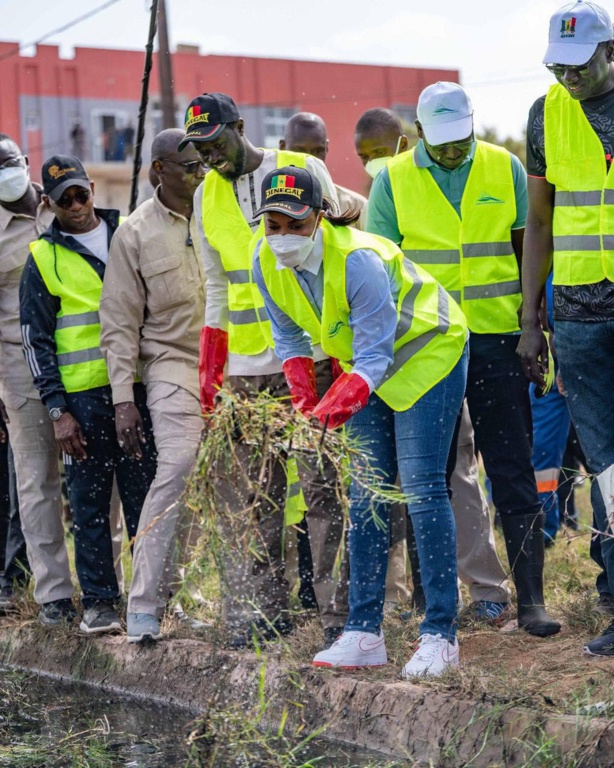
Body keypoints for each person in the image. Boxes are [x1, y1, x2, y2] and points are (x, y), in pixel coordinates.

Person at [252, 165, 469, 677]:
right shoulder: (264, 261)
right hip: (366, 368)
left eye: (295, 225)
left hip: (426, 356)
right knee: (366, 490)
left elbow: (374, 356)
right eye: (273, 226)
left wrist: (334, 405)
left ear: (320, 219)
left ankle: (441, 633)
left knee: (420, 488)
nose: (283, 238)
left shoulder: (358, 261)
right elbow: (289, 338)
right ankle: (364, 632)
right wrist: (305, 396)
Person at [368, 82, 560, 637]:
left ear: (472, 124)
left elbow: (530, 247)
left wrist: (532, 326)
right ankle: (434, 600)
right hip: (426, 345)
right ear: (419, 133)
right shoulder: (392, 182)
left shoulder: (505, 168)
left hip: (498, 340)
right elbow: (379, 268)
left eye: (461, 140)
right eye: (441, 143)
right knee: (427, 473)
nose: (453, 152)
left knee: (512, 467)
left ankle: (531, 601)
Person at [182, 92, 348, 650]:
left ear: (240, 127)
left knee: (323, 490)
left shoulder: (301, 169)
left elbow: (348, 226)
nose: (210, 158)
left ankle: (337, 616)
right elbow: (215, 289)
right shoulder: (205, 196)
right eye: (200, 151)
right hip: (246, 374)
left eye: (216, 143)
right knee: (253, 500)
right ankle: (259, 613)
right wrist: (212, 381)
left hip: (309, 362)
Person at [355, 107, 511, 622]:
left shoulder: (481, 169)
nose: (375, 163)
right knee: (389, 483)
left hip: (444, 346)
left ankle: (484, 590)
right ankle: (400, 598)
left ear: (405, 142)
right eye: (365, 157)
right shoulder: (373, 195)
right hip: (393, 355)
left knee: (451, 472)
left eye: (381, 152)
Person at [20, 155, 157, 633]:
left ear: (92, 189)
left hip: (135, 390)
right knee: (90, 505)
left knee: (145, 498)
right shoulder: (43, 257)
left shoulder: (128, 233)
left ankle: (152, 599)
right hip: (82, 403)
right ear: (49, 203)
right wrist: (58, 410)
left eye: (81, 195)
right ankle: (100, 602)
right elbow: (34, 341)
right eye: (64, 200)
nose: (76, 206)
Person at [518, 0, 614, 655]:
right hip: (578, 313)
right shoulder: (544, 115)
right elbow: (541, 224)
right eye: (558, 65)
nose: (568, 76)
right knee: (607, 467)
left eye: (579, 65)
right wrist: (531, 319)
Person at [100, 129, 206, 643]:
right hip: (171, 363)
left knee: (226, 483)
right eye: (187, 165)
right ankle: (143, 605)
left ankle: (191, 598)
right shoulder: (134, 234)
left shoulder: (223, 211)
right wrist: (124, 400)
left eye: (202, 163)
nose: (199, 172)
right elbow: (119, 324)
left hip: (233, 365)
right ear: (157, 171)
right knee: (180, 463)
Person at [0, 135, 72, 623]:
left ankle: (104, 585)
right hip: (17, 367)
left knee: (90, 478)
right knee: (35, 480)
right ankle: (52, 597)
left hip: (78, 362)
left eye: (8, 163)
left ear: (24, 162)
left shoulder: (66, 205)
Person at [280, 112, 368, 229]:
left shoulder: (355, 207)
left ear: (326, 148)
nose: (310, 160)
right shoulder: (266, 205)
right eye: (300, 151)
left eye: (317, 151)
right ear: (282, 147)